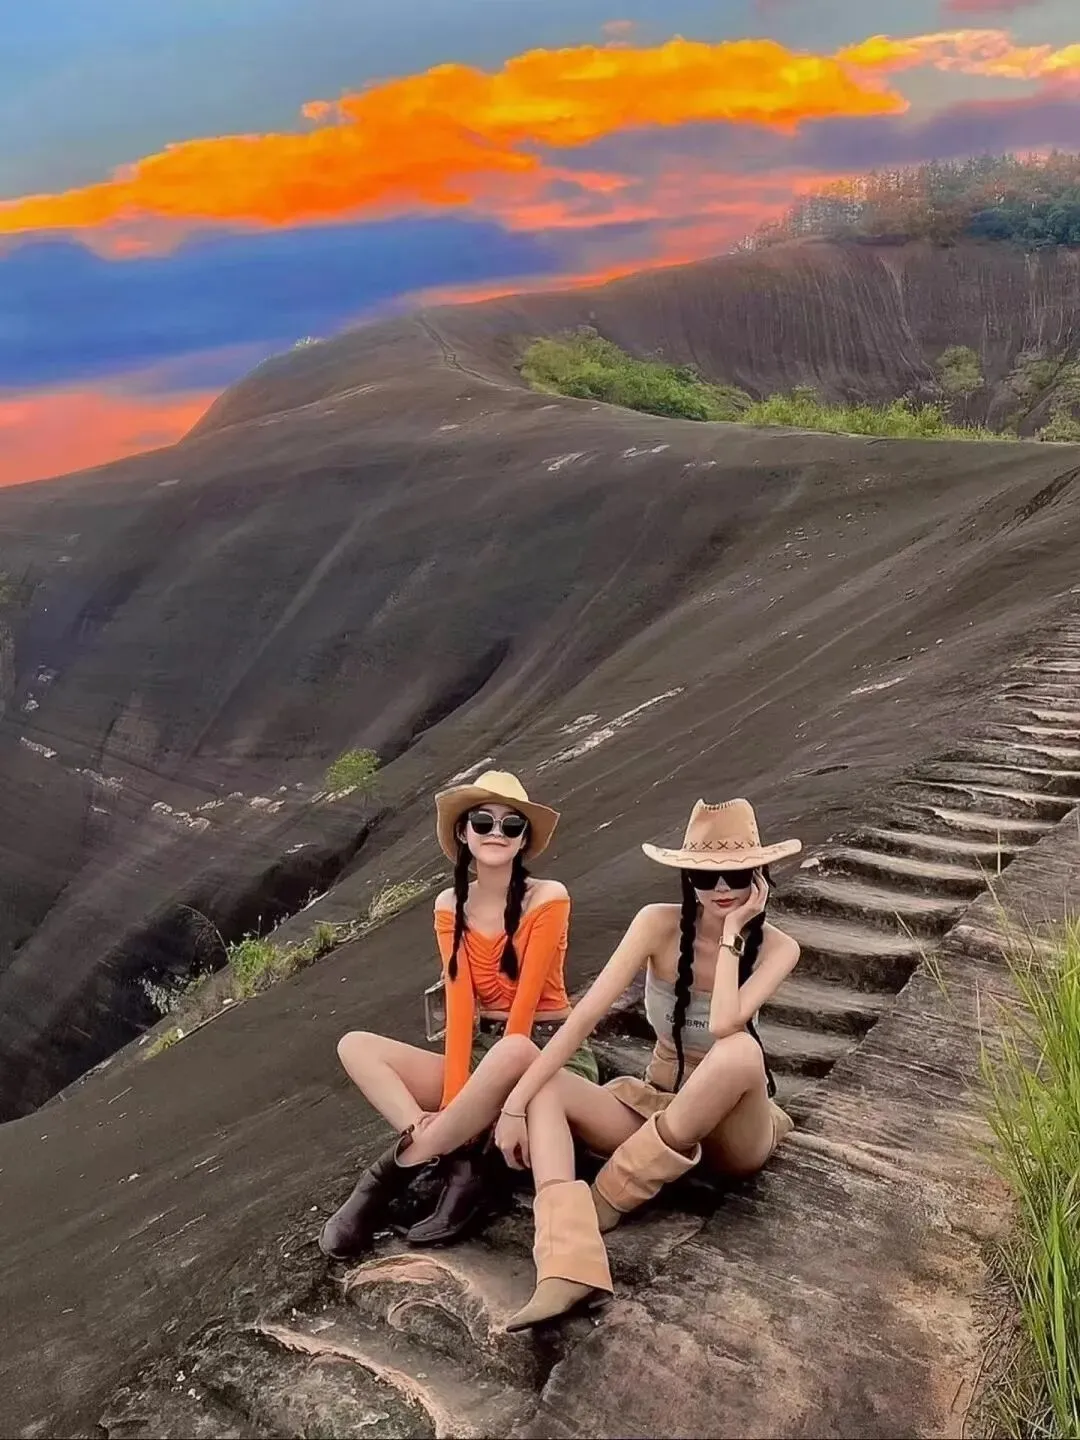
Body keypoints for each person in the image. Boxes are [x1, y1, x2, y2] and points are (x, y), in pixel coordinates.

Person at [487, 797, 803, 1331]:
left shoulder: (778, 947)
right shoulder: (657, 924)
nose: (721, 889)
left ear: (759, 878)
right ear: (687, 878)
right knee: (546, 1086)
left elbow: (726, 1023)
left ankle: (608, 1197)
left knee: (738, 1051)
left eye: (736, 875)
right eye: (705, 877)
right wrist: (516, 1104)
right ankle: (566, 1264)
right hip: (656, 1106)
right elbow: (586, 1014)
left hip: (734, 1130)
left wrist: (732, 935)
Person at [318, 770, 598, 1260]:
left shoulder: (548, 897)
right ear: (463, 834)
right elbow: (460, 1004)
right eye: (482, 822)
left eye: (512, 825)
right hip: (481, 1049)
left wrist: (502, 1103)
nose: (496, 832)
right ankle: (453, 1158)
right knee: (355, 1046)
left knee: (512, 1049)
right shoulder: (450, 904)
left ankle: (386, 1177)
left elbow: (525, 1007)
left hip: (544, 1051)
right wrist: (454, 1102)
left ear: (523, 840)